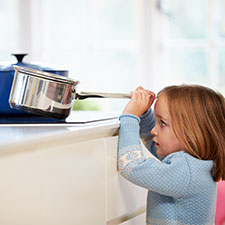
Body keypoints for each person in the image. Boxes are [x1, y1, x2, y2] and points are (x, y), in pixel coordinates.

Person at [117, 85, 225, 225]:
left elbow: (131, 165)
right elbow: (158, 145)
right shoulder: (195, 165)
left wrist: (130, 118)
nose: (153, 131)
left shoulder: (187, 173)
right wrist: (144, 115)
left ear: (191, 134)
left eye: (162, 123)